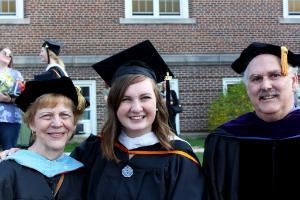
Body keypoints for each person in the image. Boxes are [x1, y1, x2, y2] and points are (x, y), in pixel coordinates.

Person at [71, 40, 205, 199]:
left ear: (157, 103)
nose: (136, 108)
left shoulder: (179, 158)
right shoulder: (92, 150)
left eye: (145, 98)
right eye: (126, 99)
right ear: (114, 105)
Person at [202, 42, 300, 200]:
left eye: (275, 75)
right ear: (247, 87)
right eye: (256, 79)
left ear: (294, 81)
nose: (266, 85)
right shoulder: (225, 139)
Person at [0, 77, 89, 199]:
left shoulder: (82, 175)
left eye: (64, 115)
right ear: (31, 123)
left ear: (74, 124)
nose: (57, 123)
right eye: (47, 115)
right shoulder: (7, 172)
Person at [0, 47, 24, 150]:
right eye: (5, 53)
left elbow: (23, 98)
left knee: (8, 152)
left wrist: (8, 99)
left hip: (10, 120)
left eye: (10, 54)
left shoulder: (16, 75)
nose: (8, 55)